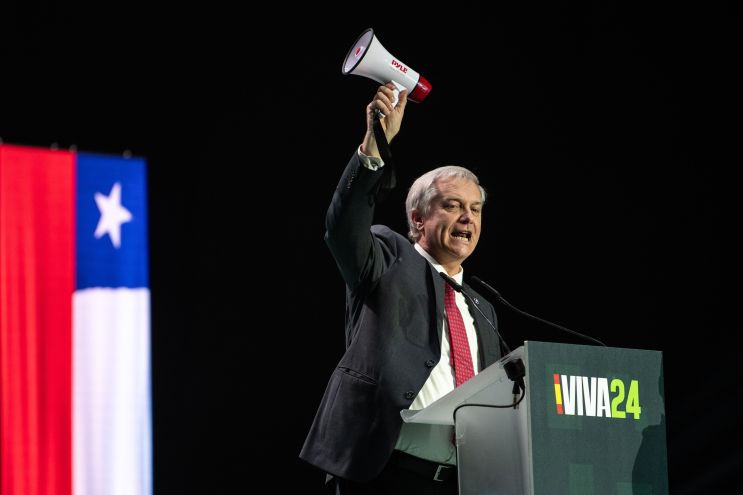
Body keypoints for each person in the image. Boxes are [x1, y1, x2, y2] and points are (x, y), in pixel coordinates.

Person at [300, 83, 504, 495]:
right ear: (417, 218)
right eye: (452, 206)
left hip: (461, 482)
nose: (467, 218)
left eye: (475, 209)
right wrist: (375, 144)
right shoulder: (388, 257)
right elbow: (343, 228)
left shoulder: (483, 307)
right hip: (383, 473)